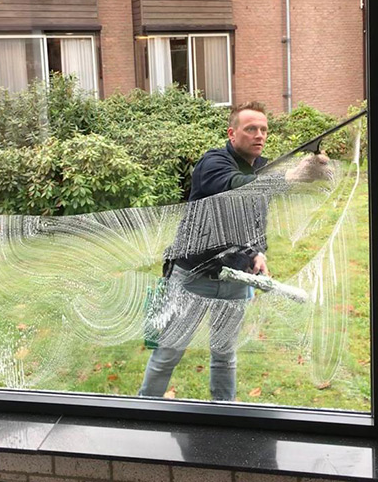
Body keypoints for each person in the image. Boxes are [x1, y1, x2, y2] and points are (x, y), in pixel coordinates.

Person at [139, 101, 329, 401]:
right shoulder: (212, 163)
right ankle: (143, 414)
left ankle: (223, 417)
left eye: (264, 129)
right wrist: (291, 177)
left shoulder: (262, 167)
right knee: (167, 354)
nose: (259, 135)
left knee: (225, 357)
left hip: (235, 280)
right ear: (232, 133)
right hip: (193, 277)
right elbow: (238, 187)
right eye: (250, 128)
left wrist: (257, 252)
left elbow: (254, 220)